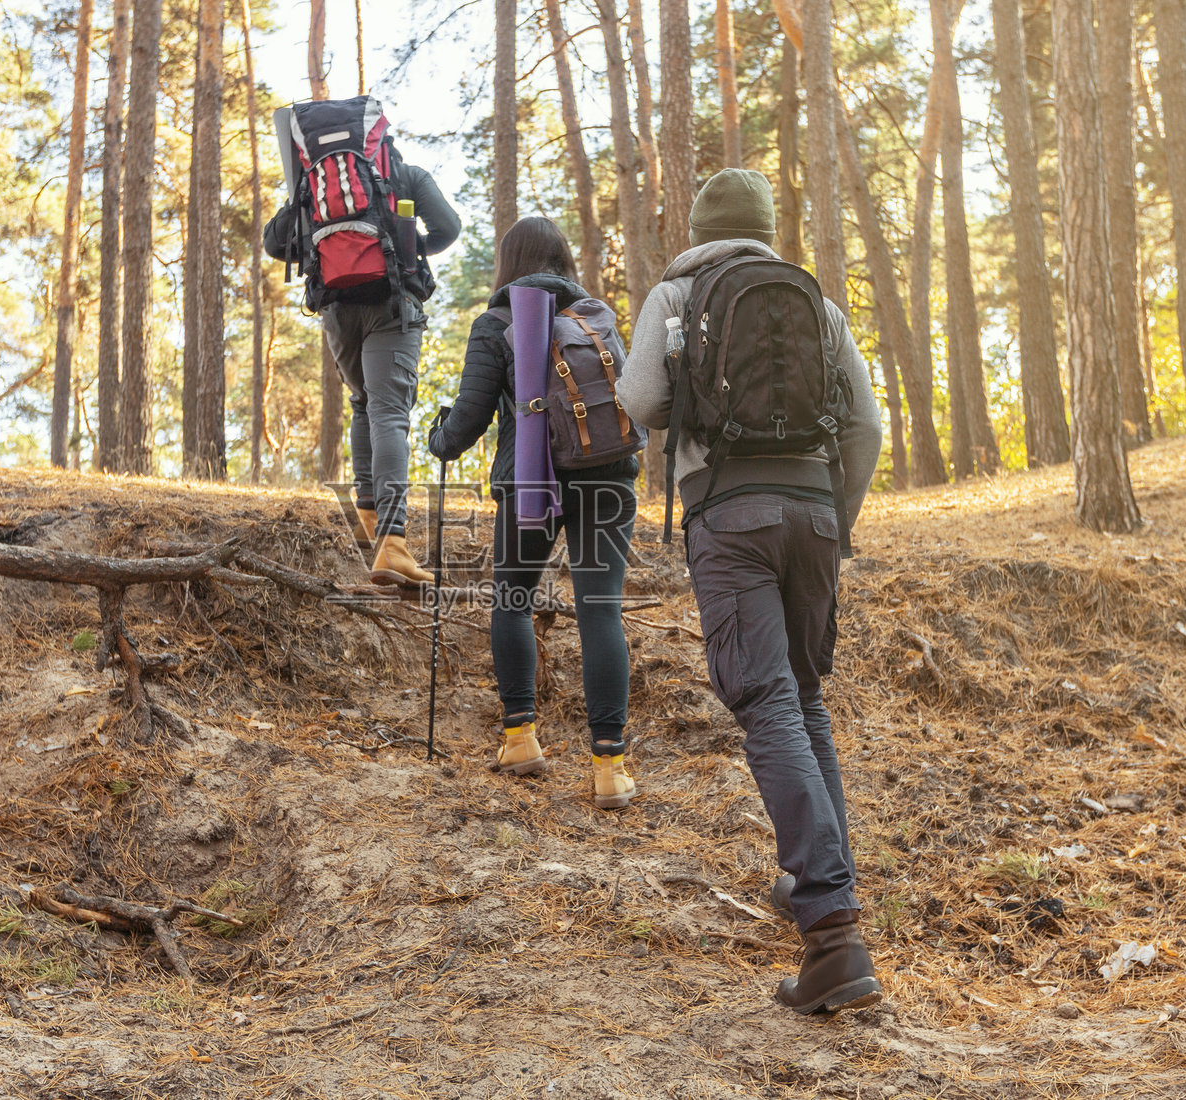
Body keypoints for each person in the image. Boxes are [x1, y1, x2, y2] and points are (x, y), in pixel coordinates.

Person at [615, 169, 883, 1014]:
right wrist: (833, 516)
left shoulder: (679, 290)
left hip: (730, 515)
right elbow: (868, 424)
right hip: (814, 514)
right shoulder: (812, 299)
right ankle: (826, 885)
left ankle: (832, 932)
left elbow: (641, 399)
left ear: (698, 225)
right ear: (768, 226)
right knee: (803, 699)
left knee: (766, 701)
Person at [428, 216, 640, 810]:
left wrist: (437, 436)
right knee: (600, 610)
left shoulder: (496, 322)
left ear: (508, 263)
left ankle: (520, 739)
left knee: (513, 599)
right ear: (565, 260)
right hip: (608, 477)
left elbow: (465, 424)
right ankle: (610, 768)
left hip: (532, 481)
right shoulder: (595, 317)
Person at [264, 131, 461, 587]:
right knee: (389, 413)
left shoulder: (316, 184)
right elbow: (449, 228)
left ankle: (368, 514)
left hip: (336, 308)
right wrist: (406, 247)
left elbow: (275, 245)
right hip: (392, 303)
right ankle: (392, 544)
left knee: (362, 401)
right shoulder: (407, 176)